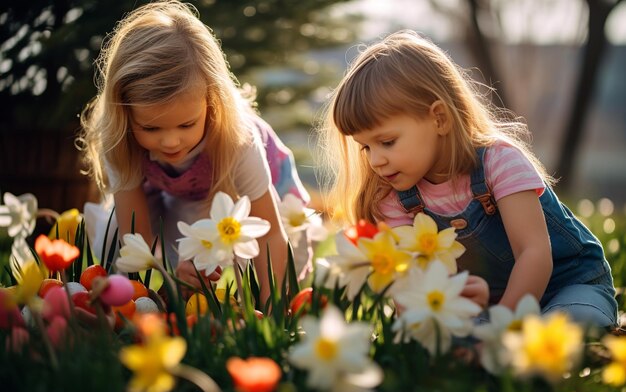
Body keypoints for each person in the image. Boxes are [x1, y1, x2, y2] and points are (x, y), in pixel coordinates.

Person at [317, 30, 618, 328]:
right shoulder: (394, 197)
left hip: (568, 285)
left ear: (439, 118)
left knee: (576, 323)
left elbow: (534, 253)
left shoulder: (499, 162)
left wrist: (503, 329)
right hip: (490, 302)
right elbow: (412, 287)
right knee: (452, 338)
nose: (375, 160)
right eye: (366, 147)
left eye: (388, 142)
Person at [78, 0, 309, 305]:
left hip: (260, 199)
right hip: (176, 192)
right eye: (151, 129)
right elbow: (135, 236)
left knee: (264, 265)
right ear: (125, 115)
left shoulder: (237, 139)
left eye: (186, 124)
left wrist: (273, 310)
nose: (171, 142)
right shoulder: (120, 139)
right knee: (114, 237)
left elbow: (270, 235)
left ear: (212, 102)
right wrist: (157, 287)